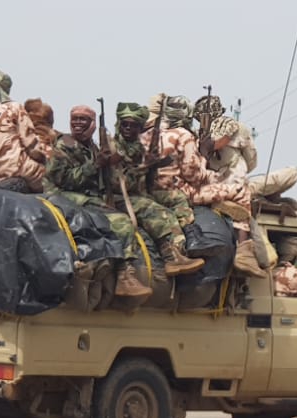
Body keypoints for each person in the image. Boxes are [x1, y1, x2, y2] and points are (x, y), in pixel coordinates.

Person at [142, 95, 266, 278]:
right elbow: (194, 176)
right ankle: (244, 251)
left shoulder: (148, 134)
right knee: (241, 191)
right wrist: (205, 157)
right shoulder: (183, 136)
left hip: (150, 191)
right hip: (182, 191)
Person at [46, 105, 157, 298]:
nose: (78, 124)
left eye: (83, 120)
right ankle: (125, 274)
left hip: (87, 195)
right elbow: (65, 180)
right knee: (121, 222)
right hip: (61, 196)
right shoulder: (64, 145)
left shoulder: (92, 147)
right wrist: (96, 165)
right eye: (75, 119)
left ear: (92, 125)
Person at [99, 102, 205, 274]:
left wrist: (152, 165)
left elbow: (147, 180)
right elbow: (118, 184)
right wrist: (145, 166)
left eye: (133, 125)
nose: (127, 128)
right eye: (124, 124)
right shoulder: (113, 147)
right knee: (159, 213)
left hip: (140, 192)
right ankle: (171, 255)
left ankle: (188, 240)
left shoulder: (136, 146)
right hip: (118, 197)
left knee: (176, 197)